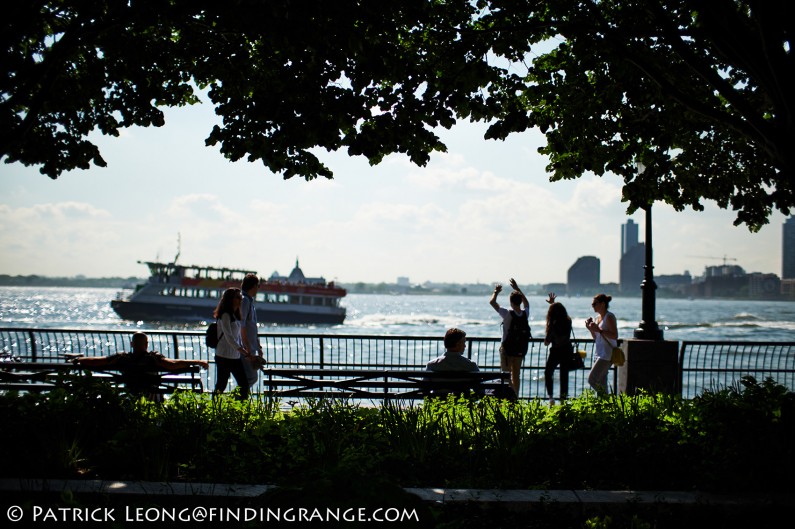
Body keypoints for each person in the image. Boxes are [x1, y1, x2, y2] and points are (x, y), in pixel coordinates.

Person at [73, 332, 208, 400]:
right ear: (146, 345)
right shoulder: (153, 358)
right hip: (151, 395)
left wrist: (80, 359)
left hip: (130, 394)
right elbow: (171, 365)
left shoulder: (122, 358)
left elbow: (98, 361)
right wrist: (196, 362)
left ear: (132, 345)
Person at [489, 278, 530, 396]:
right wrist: (517, 288)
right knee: (516, 376)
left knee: (506, 375)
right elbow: (527, 304)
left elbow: (492, 302)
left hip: (507, 350)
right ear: (520, 301)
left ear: (511, 302)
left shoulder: (507, 313)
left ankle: (510, 398)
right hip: (520, 350)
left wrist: (496, 292)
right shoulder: (525, 314)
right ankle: (516, 397)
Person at [213, 287, 251, 400]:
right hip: (223, 355)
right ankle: (214, 408)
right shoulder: (225, 315)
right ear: (231, 299)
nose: (240, 300)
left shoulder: (236, 315)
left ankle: (240, 408)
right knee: (221, 385)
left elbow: (236, 336)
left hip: (235, 356)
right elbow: (229, 337)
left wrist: (243, 349)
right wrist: (243, 351)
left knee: (244, 384)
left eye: (241, 297)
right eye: (238, 297)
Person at [425, 328, 480, 398]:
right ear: (458, 344)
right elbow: (480, 391)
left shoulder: (432, 365)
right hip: (462, 405)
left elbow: (423, 390)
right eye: (464, 342)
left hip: (439, 405)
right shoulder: (471, 365)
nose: (465, 346)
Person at [585, 293, 618, 395]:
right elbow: (597, 337)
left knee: (592, 379)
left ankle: (607, 400)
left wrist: (599, 330)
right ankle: (605, 407)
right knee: (601, 382)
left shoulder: (609, 317)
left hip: (607, 355)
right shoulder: (598, 318)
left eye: (595, 304)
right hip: (599, 353)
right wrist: (590, 329)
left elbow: (614, 335)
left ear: (603, 304)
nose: (593, 306)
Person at [543, 293, 573, 405]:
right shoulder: (568, 320)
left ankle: (551, 397)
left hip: (556, 351)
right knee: (564, 375)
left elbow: (547, 342)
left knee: (548, 373)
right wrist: (553, 304)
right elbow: (558, 311)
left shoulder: (553, 323)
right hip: (567, 350)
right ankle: (563, 400)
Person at [240, 273, 265, 388]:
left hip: (249, 347)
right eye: (258, 286)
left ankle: (239, 401)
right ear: (253, 286)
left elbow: (252, 327)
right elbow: (242, 325)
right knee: (251, 378)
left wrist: (258, 346)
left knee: (248, 378)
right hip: (246, 348)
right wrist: (248, 348)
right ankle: (236, 399)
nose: (258, 289)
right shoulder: (245, 301)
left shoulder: (249, 301)